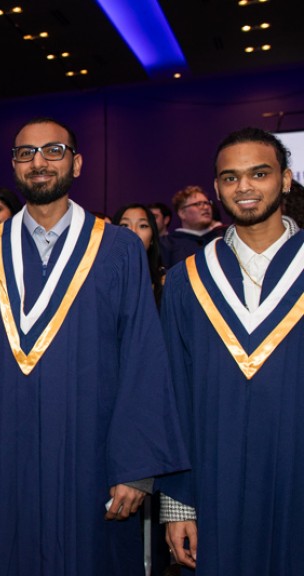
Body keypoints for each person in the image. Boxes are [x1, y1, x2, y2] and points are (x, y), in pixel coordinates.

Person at [0, 117, 188, 575]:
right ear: (14, 167)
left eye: (53, 150)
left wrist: (136, 467)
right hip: (1, 456)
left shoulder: (117, 248)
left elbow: (142, 360)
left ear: (77, 164)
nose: (39, 162)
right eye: (25, 153)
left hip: (92, 458)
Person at [159, 127, 303, 574]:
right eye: (229, 178)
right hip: (214, 484)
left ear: (285, 179)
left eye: (259, 173)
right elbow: (172, 397)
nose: (243, 187)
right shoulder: (187, 280)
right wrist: (178, 506)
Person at [112, 203, 164, 306]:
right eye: (124, 225)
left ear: (152, 238)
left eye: (143, 226)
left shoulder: (165, 283)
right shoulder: (98, 279)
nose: (133, 231)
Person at [160, 186, 222, 268]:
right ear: (182, 213)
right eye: (198, 204)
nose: (206, 207)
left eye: (207, 203)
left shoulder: (223, 237)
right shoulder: (167, 244)